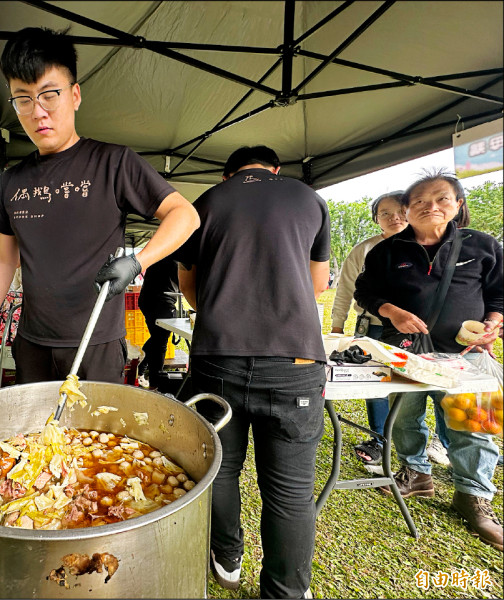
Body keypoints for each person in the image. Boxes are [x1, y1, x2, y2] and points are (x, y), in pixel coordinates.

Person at [0, 27, 199, 384]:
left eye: (49, 95)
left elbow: (185, 216)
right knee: (38, 439)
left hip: (96, 345)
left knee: (97, 440)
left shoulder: (114, 163)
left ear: (74, 95)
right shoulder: (12, 180)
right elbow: (6, 258)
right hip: (32, 343)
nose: (37, 112)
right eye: (23, 99)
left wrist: (137, 262)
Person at [176, 145, 330, 598]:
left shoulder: (206, 202)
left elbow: (190, 287)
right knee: (290, 491)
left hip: (218, 357)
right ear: (275, 170)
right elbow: (318, 284)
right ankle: (285, 591)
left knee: (220, 470)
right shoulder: (307, 197)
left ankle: (227, 561)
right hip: (296, 362)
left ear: (228, 174)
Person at [354, 170, 503, 551]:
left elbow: (500, 295)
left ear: (457, 205)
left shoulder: (482, 246)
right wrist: (391, 311)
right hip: (403, 349)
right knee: (404, 416)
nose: (430, 207)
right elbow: (366, 291)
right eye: (418, 201)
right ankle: (416, 473)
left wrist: (493, 323)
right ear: (407, 209)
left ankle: (474, 495)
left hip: (467, 354)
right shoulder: (388, 251)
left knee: (476, 424)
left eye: (440, 199)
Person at [330, 192, 411, 464]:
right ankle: (380, 440)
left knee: (421, 385)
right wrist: (337, 326)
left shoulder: (427, 248)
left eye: (400, 210)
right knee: (377, 384)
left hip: (416, 331)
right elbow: (344, 289)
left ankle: (436, 443)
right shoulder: (364, 250)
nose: (394, 217)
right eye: (385, 213)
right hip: (373, 328)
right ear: (376, 219)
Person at [136, 255, 180, 389]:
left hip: (147, 299)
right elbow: (185, 284)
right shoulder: (178, 257)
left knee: (157, 339)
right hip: (161, 302)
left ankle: (141, 368)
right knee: (160, 343)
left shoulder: (162, 251)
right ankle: (155, 384)